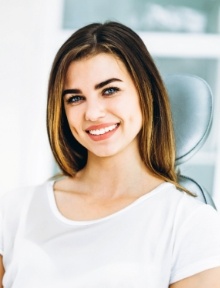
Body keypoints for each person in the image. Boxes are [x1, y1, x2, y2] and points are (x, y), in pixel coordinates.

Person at [0, 21, 220, 288]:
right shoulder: (13, 211)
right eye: (75, 98)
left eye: (110, 90)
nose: (92, 113)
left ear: (145, 92)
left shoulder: (190, 224)